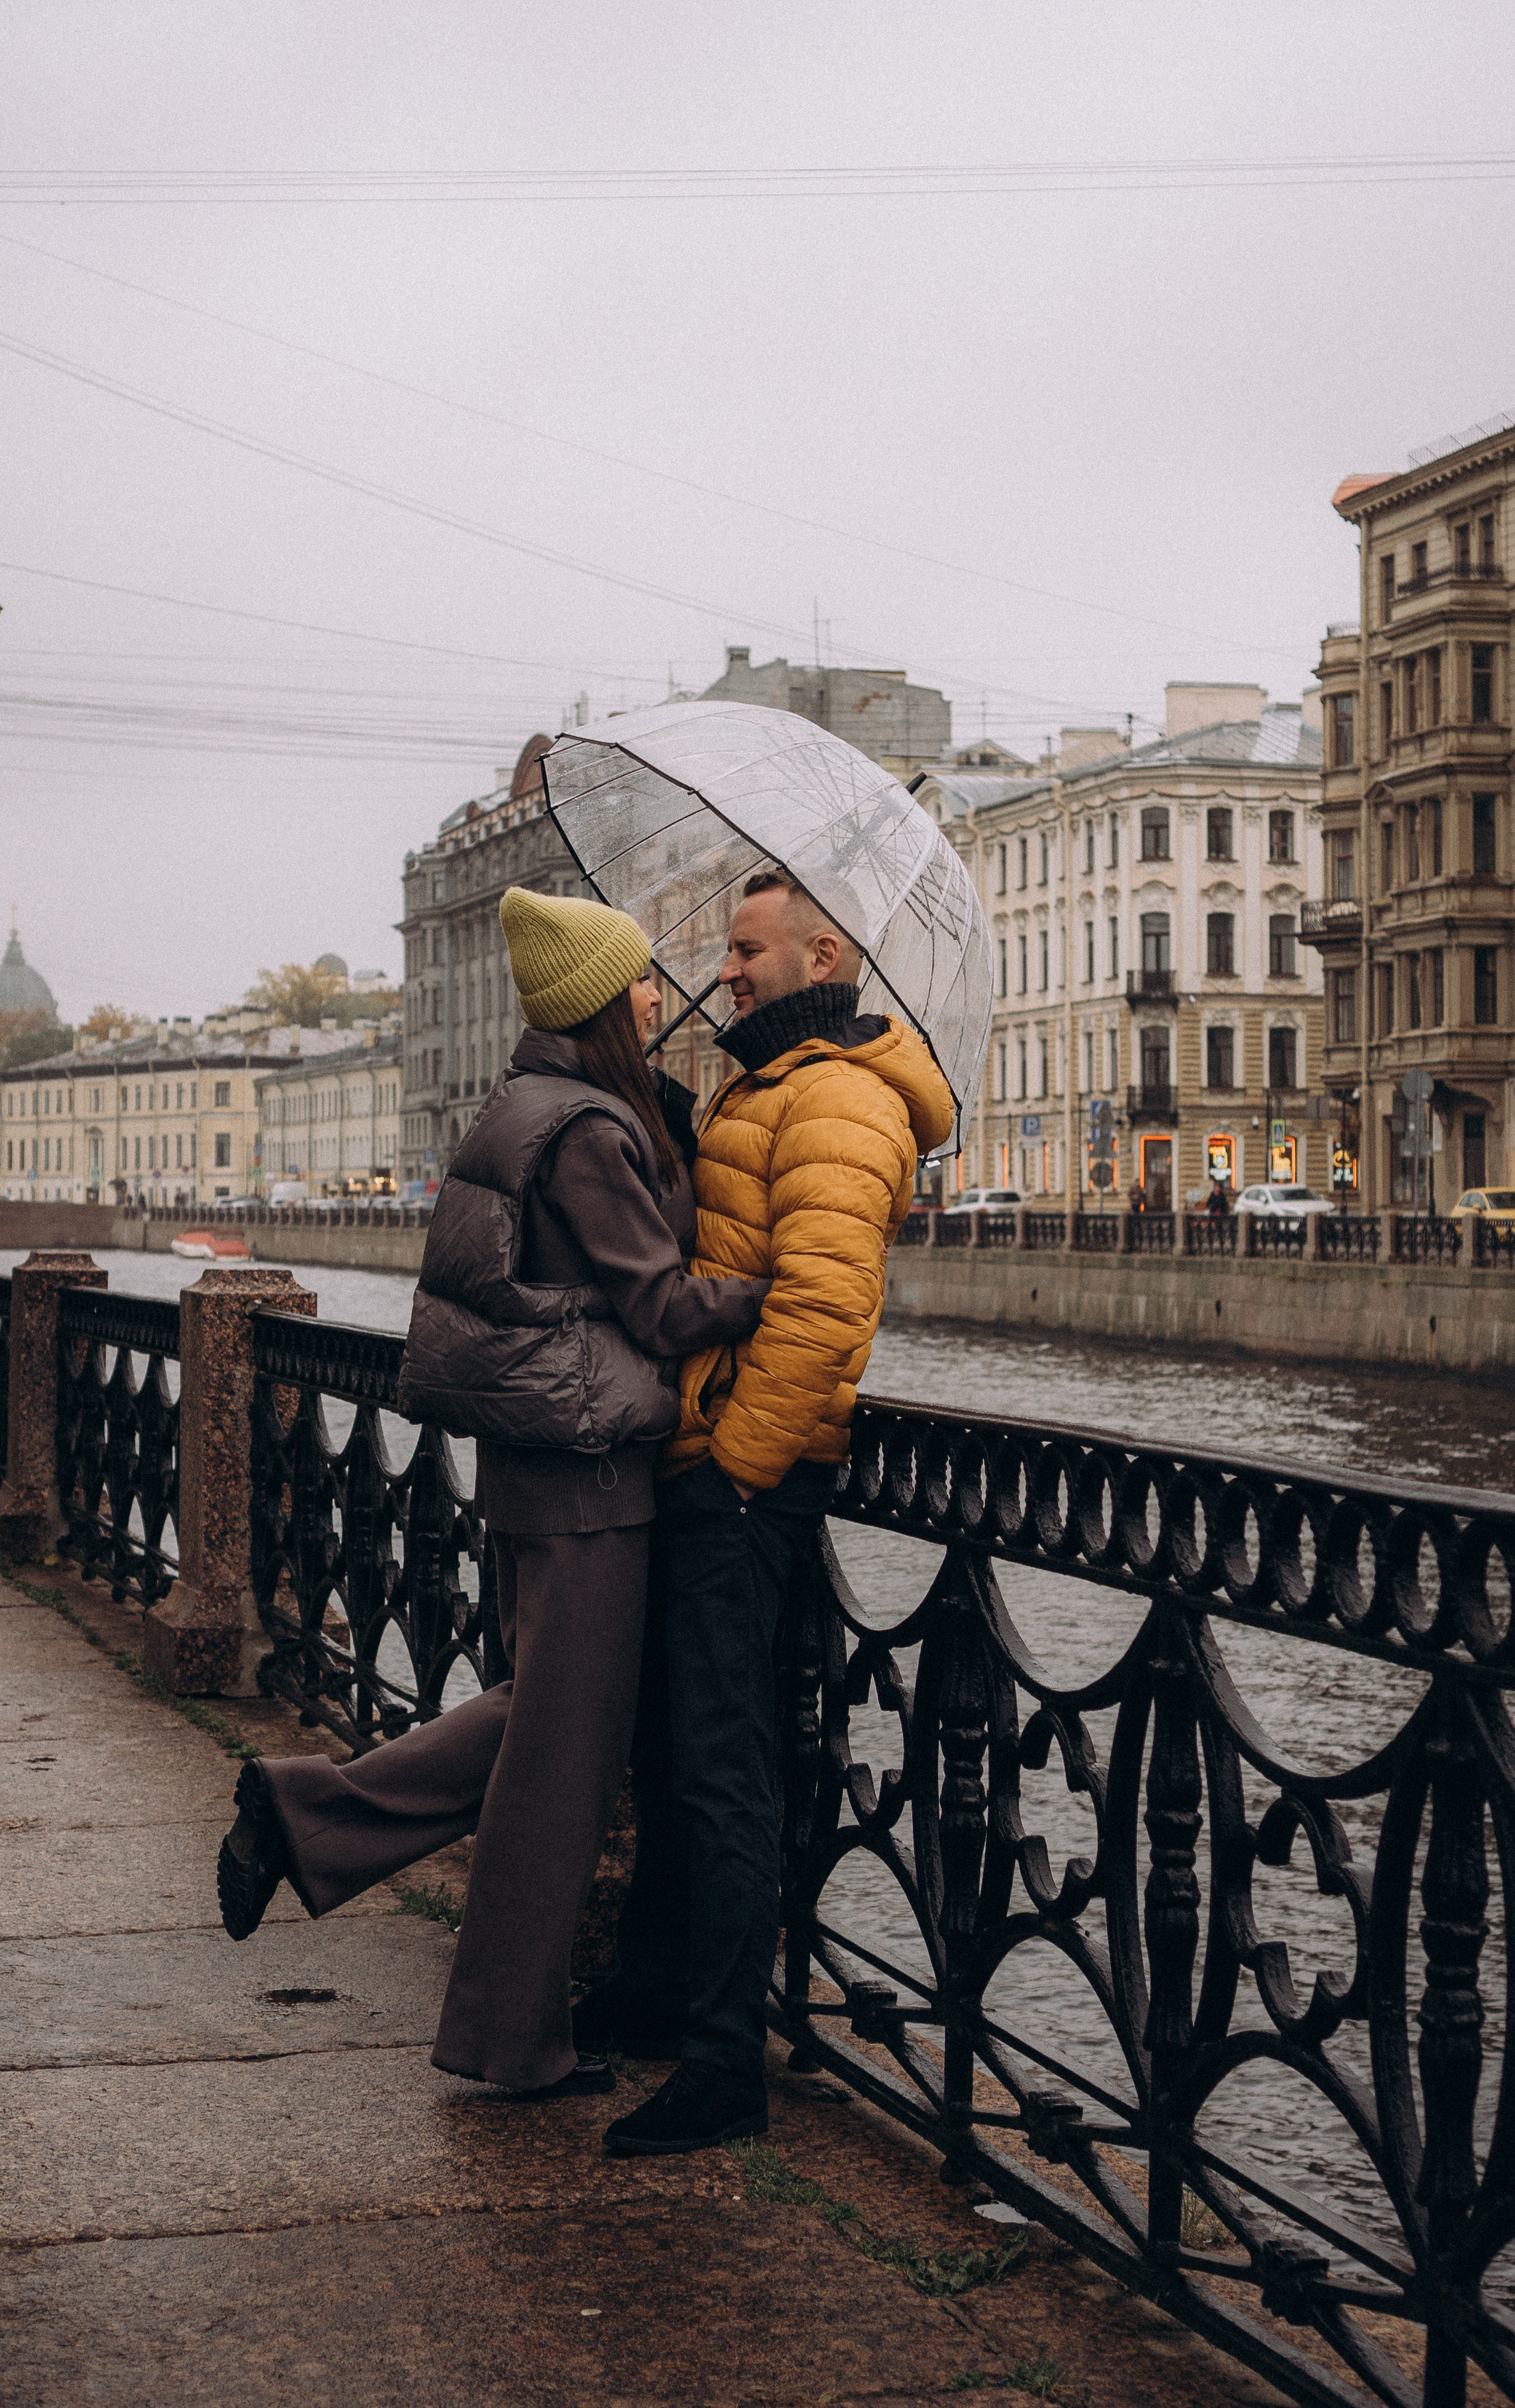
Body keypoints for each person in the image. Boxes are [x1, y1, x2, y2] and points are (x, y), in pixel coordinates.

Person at [215, 888, 768, 2101]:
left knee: (546, 1726)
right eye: (636, 981)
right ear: (598, 1002)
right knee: (560, 1767)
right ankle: (509, 2041)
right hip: (589, 1477)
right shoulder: (587, 1131)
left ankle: (308, 1820)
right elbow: (662, 1305)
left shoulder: (525, 1107)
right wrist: (763, 1283)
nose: (654, 996)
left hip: (531, 1466)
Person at [580, 867, 954, 2156]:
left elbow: (821, 1310)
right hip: (713, 1467)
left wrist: (734, 1470)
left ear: (822, 952)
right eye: (729, 950)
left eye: (747, 949)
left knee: (726, 1769)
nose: (726, 969)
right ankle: (654, 1994)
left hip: (749, 1485)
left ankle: (723, 2059)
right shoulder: (774, 1081)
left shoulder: (843, 1098)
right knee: (677, 1752)